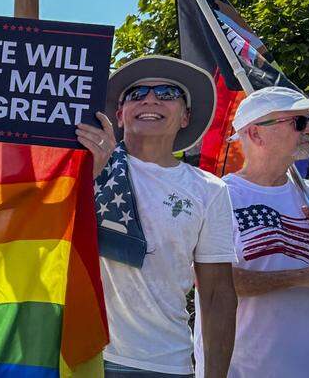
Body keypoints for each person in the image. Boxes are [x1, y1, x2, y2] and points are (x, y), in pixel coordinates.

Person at [76, 55, 236, 378]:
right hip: (81, 357)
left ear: (186, 116)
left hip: (167, 364)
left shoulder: (210, 190)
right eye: (136, 94)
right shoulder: (81, 166)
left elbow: (218, 294)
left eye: (166, 93)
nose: (150, 99)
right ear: (119, 114)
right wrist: (88, 178)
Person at [192, 86, 309, 377]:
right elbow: (213, 283)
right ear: (255, 134)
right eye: (299, 122)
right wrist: (304, 278)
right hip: (239, 370)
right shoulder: (218, 196)